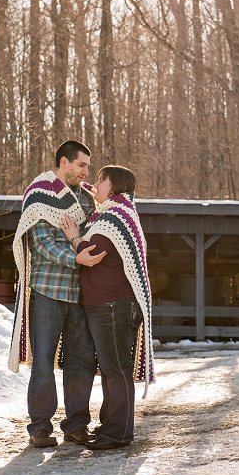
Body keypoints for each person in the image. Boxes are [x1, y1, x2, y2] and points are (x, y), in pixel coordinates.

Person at [7, 140, 102, 448]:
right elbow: (41, 243)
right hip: (47, 291)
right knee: (43, 361)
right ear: (65, 162)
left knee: (81, 361)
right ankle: (39, 428)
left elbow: (92, 236)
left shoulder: (88, 199)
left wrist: (79, 243)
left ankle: (76, 425)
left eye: (88, 166)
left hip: (79, 294)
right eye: (82, 165)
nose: (86, 171)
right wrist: (75, 256)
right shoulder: (40, 194)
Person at [62, 164, 155, 450]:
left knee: (115, 369)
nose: (96, 183)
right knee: (115, 368)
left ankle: (117, 434)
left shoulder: (115, 216)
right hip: (107, 303)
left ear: (114, 187)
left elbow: (95, 251)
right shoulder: (114, 211)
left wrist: (74, 237)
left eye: (101, 180)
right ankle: (114, 429)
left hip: (112, 305)